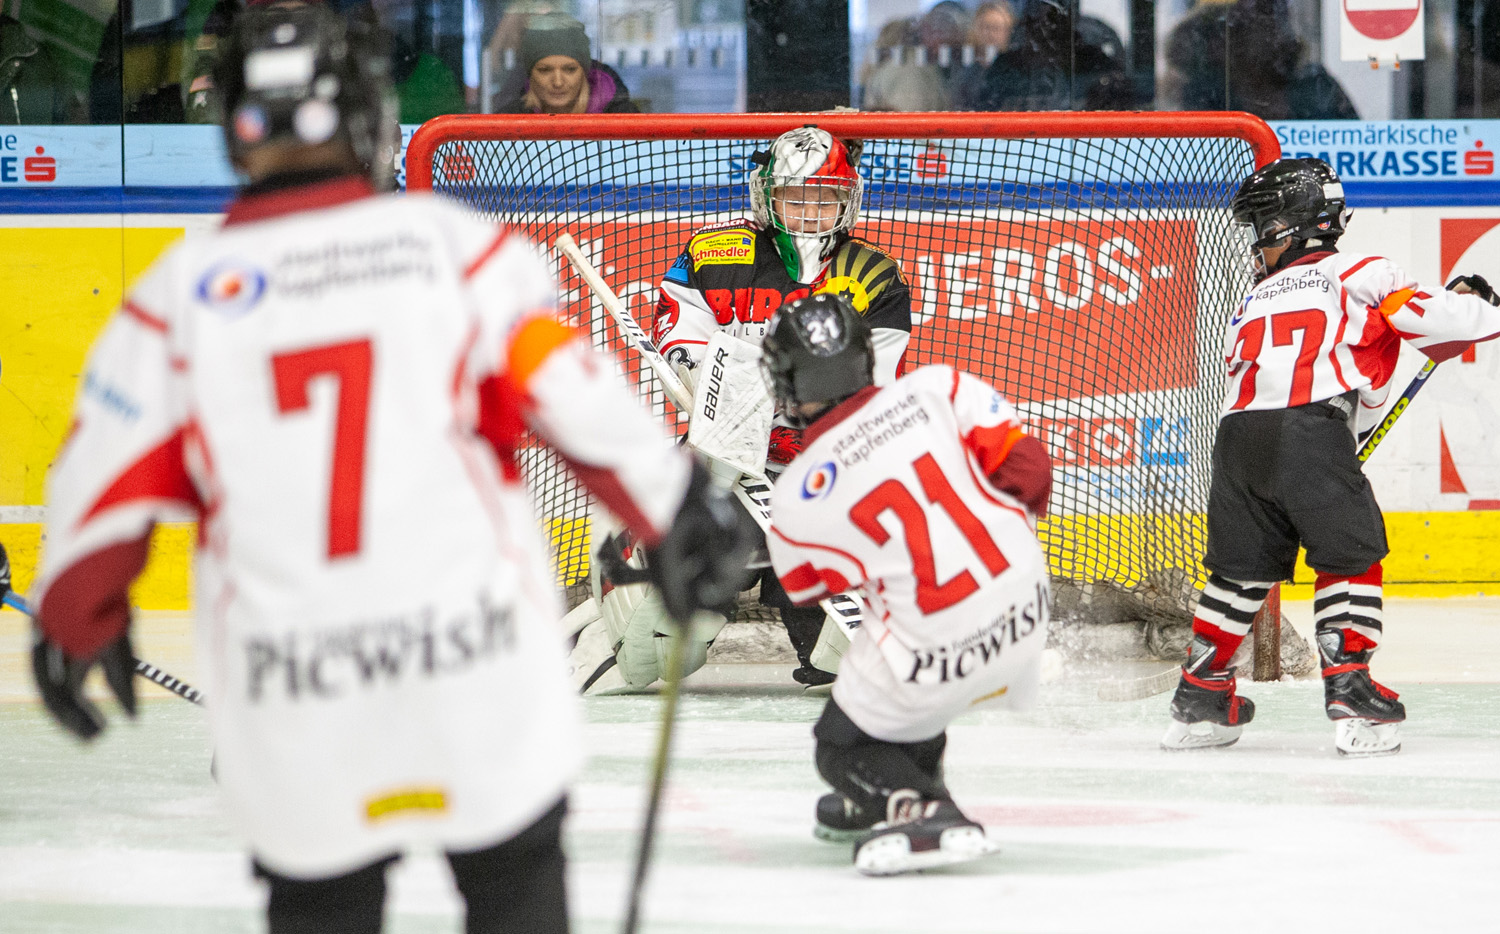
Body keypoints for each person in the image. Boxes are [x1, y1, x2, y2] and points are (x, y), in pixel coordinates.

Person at [26, 4, 750, 933]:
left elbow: (97, 496)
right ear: (368, 115)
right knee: (515, 886)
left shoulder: (177, 300)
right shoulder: (457, 251)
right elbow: (582, 408)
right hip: (470, 659)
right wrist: (681, 513)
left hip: (292, 682)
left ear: (236, 127)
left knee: (321, 902)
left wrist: (76, 613)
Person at [1162, 158, 1500, 757]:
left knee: (1241, 571)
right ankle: (1350, 689)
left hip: (1237, 441)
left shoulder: (1254, 299)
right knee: (1349, 555)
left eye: (1261, 229)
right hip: (1311, 433)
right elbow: (1434, 322)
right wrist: (1481, 310)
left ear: (1291, 226)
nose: (1257, 244)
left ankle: (1200, 695)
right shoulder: (1363, 271)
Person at [570, 126, 915, 695]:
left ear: (848, 201)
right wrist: (715, 385)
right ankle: (616, 624)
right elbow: (680, 334)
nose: (810, 210)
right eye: (795, 196)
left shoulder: (874, 275)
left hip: (825, 476)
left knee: (850, 658)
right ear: (767, 197)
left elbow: (873, 389)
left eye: (825, 197)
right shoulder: (716, 252)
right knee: (656, 642)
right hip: (723, 466)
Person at [759, 293, 1053, 875]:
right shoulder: (939, 387)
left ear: (789, 384)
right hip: (1029, 608)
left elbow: (805, 588)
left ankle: (919, 805)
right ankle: (907, 786)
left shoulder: (797, 492)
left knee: (840, 742)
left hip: (938, 647)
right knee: (901, 684)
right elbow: (1032, 474)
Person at [1161, 0, 1358, 119]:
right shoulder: (1208, 94)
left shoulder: (1315, 85)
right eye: (1237, 28)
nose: (1273, 28)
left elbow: (1352, 144)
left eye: (1274, 18)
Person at [497, 13, 638, 115]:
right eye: (544, 70)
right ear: (531, 75)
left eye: (570, 69)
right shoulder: (509, 119)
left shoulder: (622, 116)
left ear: (585, 72)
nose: (558, 82)